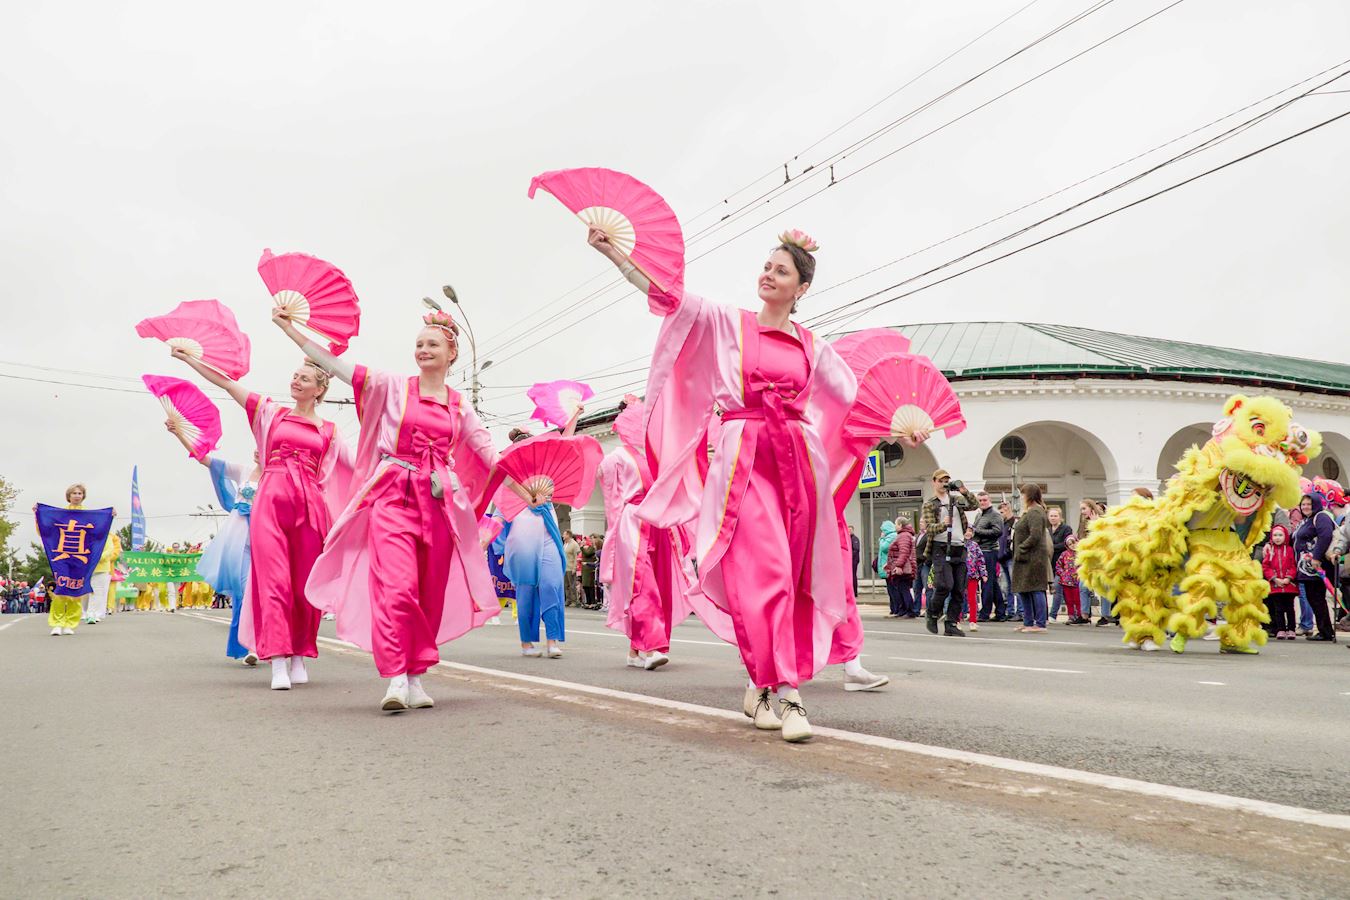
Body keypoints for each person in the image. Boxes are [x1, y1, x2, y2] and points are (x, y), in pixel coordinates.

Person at [589, 224, 860, 743]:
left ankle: (759, 684)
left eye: (781, 271)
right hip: (744, 463)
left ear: (801, 288)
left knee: (791, 577)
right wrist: (616, 254)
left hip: (797, 465)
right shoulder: (728, 323)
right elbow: (671, 295)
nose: (768, 275)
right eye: (767, 266)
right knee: (769, 574)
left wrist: (897, 428)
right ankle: (791, 695)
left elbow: (850, 400)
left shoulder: (814, 346)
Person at [276, 308, 518, 710]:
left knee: (428, 593)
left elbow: (489, 454)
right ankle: (395, 678)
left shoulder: (461, 406)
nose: (423, 349)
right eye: (419, 344)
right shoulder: (392, 387)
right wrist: (291, 329)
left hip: (438, 503)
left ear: (451, 354)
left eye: (432, 344)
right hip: (392, 494)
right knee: (397, 587)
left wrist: (524, 484)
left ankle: (416, 677)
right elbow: (336, 366)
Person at [172, 338, 353, 691]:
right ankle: (278, 660)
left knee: (304, 584)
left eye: (304, 378)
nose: (296, 381)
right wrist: (191, 359)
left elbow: (355, 467)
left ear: (319, 389)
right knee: (273, 581)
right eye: (295, 376)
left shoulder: (331, 432)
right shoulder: (271, 414)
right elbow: (228, 383)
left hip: (311, 508)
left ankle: (300, 655)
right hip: (270, 502)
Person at [169, 420, 260, 665]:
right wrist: (179, 434)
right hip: (239, 539)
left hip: (266, 537)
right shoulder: (243, 471)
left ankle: (272, 643)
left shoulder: (280, 477)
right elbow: (204, 459)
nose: (258, 450)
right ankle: (250, 645)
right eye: (257, 445)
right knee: (244, 591)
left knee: (265, 592)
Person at [494, 425, 574, 660]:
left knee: (552, 585)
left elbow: (564, 447)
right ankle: (527, 642)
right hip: (522, 543)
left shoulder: (547, 477)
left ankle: (552, 640)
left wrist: (575, 415)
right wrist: (486, 540)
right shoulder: (508, 483)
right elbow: (499, 516)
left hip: (549, 538)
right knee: (526, 592)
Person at [921, 469, 976, 637]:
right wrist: (943, 524)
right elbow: (929, 528)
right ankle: (932, 613)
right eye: (940, 481)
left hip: (959, 546)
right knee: (945, 585)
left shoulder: (956, 500)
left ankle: (951, 623)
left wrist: (964, 491)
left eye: (946, 481)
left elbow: (973, 505)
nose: (944, 484)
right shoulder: (930, 504)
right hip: (941, 547)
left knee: (959, 589)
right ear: (934, 482)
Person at [1294, 491, 1337, 643]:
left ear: (1316, 504)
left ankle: (1325, 631)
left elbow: (1326, 536)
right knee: (1314, 598)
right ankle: (1325, 630)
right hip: (1307, 568)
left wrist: (1317, 557)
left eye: (1309, 504)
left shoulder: (1321, 517)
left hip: (1316, 567)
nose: (1305, 507)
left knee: (1317, 598)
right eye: (1303, 504)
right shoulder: (1307, 520)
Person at [1012, 483, 1050, 633]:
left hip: (1033, 557)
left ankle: (1040, 623)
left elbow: (1035, 535)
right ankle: (1028, 622)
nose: (1021, 497)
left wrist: (1021, 548)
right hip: (1025, 558)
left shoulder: (1035, 512)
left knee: (1036, 589)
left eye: (1023, 494)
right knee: (1024, 590)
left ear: (1029, 495)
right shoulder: (1029, 511)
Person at [971, 491, 1007, 621]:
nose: (982, 502)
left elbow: (998, 531)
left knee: (987, 581)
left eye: (984, 500)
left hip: (990, 551)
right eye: (980, 500)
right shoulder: (979, 515)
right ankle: (1001, 613)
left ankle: (985, 613)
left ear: (989, 500)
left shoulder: (995, 514)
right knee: (992, 582)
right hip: (980, 551)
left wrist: (977, 531)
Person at [1262, 524, 1298, 640]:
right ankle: (1280, 629)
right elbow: (1266, 566)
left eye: (1280, 535)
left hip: (1289, 586)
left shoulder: (1290, 550)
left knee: (1290, 608)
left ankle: (1291, 629)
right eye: (1275, 535)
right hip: (1275, 585)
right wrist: (1274, 578)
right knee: (1278, 609)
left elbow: (1293, 566)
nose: (1278, 538)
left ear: (1285, 536)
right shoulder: (1270, 551)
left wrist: (1288, 578)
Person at [1047, 507, 1075, 623]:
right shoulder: (1047, 530)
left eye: (1055, 516)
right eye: (1051, 516)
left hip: (1064, 564)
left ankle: (1053, 615)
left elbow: (1066, 544)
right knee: (1060, 590)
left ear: (1060, 517)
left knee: (1057, 588)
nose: (1053, 518)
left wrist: (1051, 547)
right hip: (1051, 563)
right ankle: (1072, 614)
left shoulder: (1066, 529)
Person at [885, 516, 916, 617]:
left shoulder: (903, 536)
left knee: (903, 588)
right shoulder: (904, 535)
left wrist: (898, 565)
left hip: (903, 568)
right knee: (901, 588)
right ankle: (903, 610)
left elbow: (904, 552)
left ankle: (909, 610)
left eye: (896, 524)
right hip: (903, 566)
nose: (895, 526)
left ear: (900, 525)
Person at [997, 501, 1018, 620]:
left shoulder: (1013, 523)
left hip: (1011, 557)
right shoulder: (1001, 525)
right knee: (1006, 587)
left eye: (1002, 512)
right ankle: (1010, 611)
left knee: (1015, 585)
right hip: (1002, 557)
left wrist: (1008, 508)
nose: (1001, 514)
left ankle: (1020, 611)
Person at [962, 527, 986, 632]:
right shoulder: (958, 544)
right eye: (966, 531)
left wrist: (983, 574)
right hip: (960, 575)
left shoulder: (975, 545)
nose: (968, 533)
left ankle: (973, 621)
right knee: (959, 597)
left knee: (972, 599)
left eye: (970, 531)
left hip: (973, 575)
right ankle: (957, 620)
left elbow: (980, 560)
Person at [562, 530, 580, 608]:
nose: (563, 536)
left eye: (564, 534)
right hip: (565, 567)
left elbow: (576, 557)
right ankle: (568, 600)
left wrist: (574, 568)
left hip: (571, 567)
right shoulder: (565, 544)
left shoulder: (574, 544)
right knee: (566, 585)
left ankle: (574, 601)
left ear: (568, 535)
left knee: (572, 585)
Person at [848, 525, 861, 599]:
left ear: (853, 530)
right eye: (848, 530)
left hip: (854, 560)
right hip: (850, 560)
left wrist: (849, 555)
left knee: (853, 575)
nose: (849, 531)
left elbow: (856, 550)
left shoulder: (855, 539)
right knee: (850, 576)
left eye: (850, 530)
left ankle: (854, 592)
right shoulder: (848, 538)